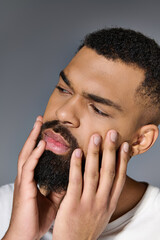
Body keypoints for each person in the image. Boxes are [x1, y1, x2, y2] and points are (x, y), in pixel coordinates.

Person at [1, 27, 160, 240]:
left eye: (98, 109)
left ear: (140, 140)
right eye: (63, 89)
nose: (63, 112)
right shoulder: (6, 205)